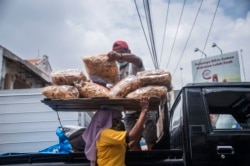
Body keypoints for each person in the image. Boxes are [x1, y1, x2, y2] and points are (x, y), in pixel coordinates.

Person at [107, 40, 157, 150]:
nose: (118, 58)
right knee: (132, 142)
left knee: (150, 139)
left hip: (144, 106)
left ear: (128, 51)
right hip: (129, 111)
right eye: (115, 53)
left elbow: (137, 59)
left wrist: (119, 56)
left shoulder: (133, 64)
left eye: (121, 52)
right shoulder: (114, 71)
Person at [82, 97, 150, 166]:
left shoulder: (113, 137)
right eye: (116, 120)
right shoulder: (104, 134)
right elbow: (131, 136)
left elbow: (129, 146)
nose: (119, 123)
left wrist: (140, 130)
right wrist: (144, 111)